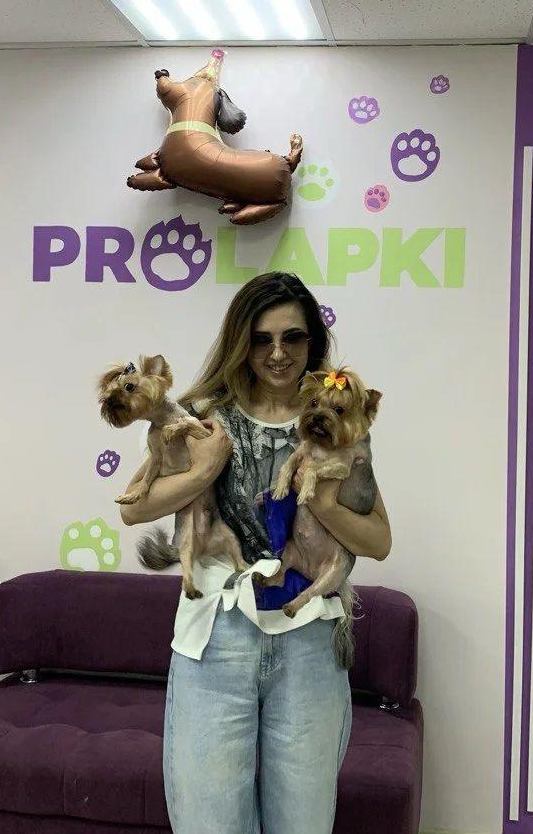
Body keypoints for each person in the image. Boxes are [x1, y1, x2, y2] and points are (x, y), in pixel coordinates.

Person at [118, 271, 391, 834]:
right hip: (217, 635)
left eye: (292, 337)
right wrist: (206, 470)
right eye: (262, 339)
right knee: (209, 820)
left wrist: (324, 501)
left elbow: (379, 541)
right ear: (241, 342)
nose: (277, 353)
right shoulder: (204, 412)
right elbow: (134, 510)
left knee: (303, 822)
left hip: (310, 639)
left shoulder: (337, 421)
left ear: (313, 341)